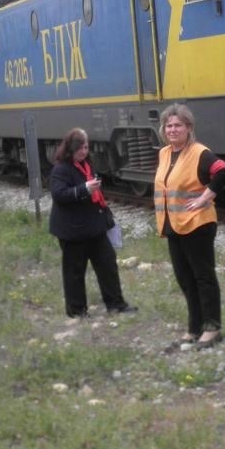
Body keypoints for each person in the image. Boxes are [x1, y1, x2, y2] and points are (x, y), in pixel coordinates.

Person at [154, 103, 225, 348]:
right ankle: (194, 327)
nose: (173, 129)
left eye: (178, 125)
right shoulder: (165, 153)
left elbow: (223, 172)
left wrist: (204, 198)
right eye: (169, 126)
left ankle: (212, 328)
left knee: (203, 277)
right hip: (174, 225)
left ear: (189, 128)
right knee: (185, 278)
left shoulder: (199, 152)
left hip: (197, 224)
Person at [48, 128, 137, 318]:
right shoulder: (61, 169)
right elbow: (58, 195)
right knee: (75, 272)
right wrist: (83, 189)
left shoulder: (87, 165)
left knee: (108, 265)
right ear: (70, 149)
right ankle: (77, 311)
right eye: (79, 148)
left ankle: (116, 304)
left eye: (86, 147)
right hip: (72, 231)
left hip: (94, 227)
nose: (83, 151)